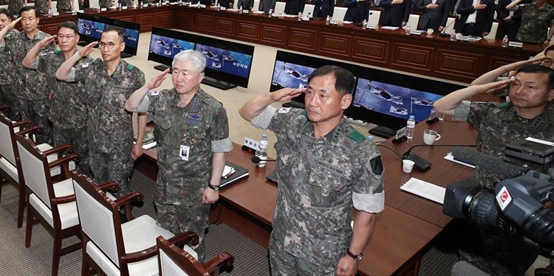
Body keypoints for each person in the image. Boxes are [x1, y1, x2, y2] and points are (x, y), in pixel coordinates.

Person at [238, 65, 384, 276]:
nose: (313, 102)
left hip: (323, 256)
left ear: (345, 101)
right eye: (309, 92)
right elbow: (247, 112)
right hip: (282, 240)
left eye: (323, 95)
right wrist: (271, 96)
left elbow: (367, 213)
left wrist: (353, 255)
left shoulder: (361, 151)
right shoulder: (293, 122)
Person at [433, 64, 554, 276]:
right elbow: (442, 105)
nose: (520, 91)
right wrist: (478, 89)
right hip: (479, 202)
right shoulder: (493, 114)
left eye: (530, 86)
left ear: (551, 94)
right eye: (515, 84)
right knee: (468, 257)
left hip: (520, 215)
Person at [125, 50, 233, 261]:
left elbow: (220, 151)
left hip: (194, 191)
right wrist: (148, 86)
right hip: (165, 186)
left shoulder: (213, 109)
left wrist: (214, 187)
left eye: (186, 73)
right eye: (175, 71)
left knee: (193, 242)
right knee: (166, 238)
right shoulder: (162, 99)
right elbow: (131, 105)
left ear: (201, 77)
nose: (179, 78)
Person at [56, 27, 146, 193]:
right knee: (99, 185)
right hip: (95, 141)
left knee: (119, 186)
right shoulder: (91, 69)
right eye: (103, 44)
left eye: (111, 44)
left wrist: (139, 143)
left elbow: (142, 112)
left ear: (122, 46)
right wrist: (78, 55)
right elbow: (61, 75)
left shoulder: (134, 75)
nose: (105, 49)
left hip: (120, 145)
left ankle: (121, 218)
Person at [22, 21, 91, 175]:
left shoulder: (87, 62)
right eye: (60, 36)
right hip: (57, 117)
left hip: (80, 121)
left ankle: (83, 193)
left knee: (82, 160)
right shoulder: (52, 57)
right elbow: (27, 62)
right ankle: (64, 185)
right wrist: (39, 45)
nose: (64, 40)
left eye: (68, 36)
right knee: (63, 158)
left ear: (77, 38)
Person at [0, 6, 54, 141]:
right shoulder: (14, 38)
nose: (27, 22)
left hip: (39, 91)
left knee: (42, 127)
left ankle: (43, 155)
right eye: (23, 19)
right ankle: (26, 155)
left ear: (37, 20)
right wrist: (8, 27)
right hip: (20, 91)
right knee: (24, 126)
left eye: (31, 19)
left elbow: (51, 67)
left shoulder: (46, 40)